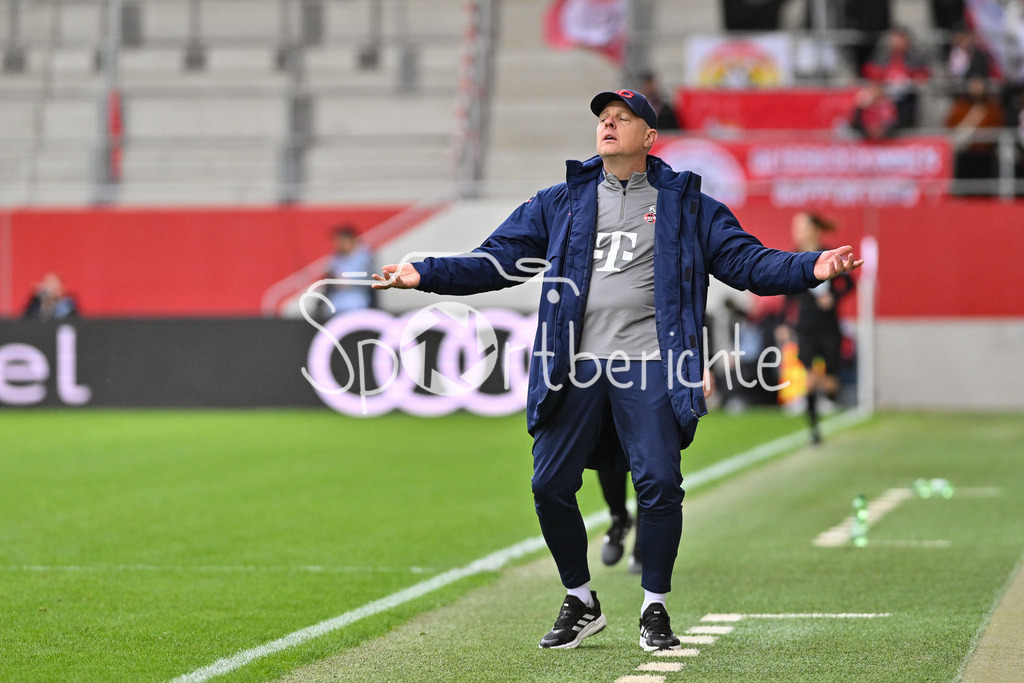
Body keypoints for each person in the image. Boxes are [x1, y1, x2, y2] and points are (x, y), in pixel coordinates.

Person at [373, 89, 862, 651]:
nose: (608, 124)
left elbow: (748, 262)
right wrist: (425, 271)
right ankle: (580, 599)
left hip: (653, 365)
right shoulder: (561, 201)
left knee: (659, 484)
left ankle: (654, 608)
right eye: (603, 118)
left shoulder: (690, 205)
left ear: (649, 138)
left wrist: (811, 266)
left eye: (622, 118)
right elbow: (499, 259)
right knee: (548, 484)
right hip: (573, 368)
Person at [781, 212, 855, 445]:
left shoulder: (828, 255)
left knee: (831, 384)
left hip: (828, 326)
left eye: (801, 226)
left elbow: (849, 283)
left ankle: (831, 392)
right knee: (810, 377)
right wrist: (784, 321)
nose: (797, 231)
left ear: (813, 229)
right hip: (806, 326)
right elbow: (786, 290)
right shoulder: (793, 257)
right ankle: (814, 431)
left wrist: (833, 295)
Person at [862, 27, 932, 130]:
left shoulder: (915, 57)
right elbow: (870, 72)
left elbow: (924, 74)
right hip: (883, 95)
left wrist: (912, 80)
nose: (897, 43)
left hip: (905, 97)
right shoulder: (881, 56)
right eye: (895, 39)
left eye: (900, 40)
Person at [946, 75, 1006, 192]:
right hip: (965, 156)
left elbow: (997, 126)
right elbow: (950, 127)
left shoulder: (992, 106)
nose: (976, 88)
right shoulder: (960, 106)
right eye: (973, 84)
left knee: (986, 191)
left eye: (979, 84)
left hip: (986, 156)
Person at [321, 225, 374, 317]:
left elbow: (346, 282)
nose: (339, 245)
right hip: (336, 306)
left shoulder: (364, 257)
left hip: (357, 305)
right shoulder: (336, 258)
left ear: (351, 240)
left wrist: (338, 279)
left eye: (342, 241)